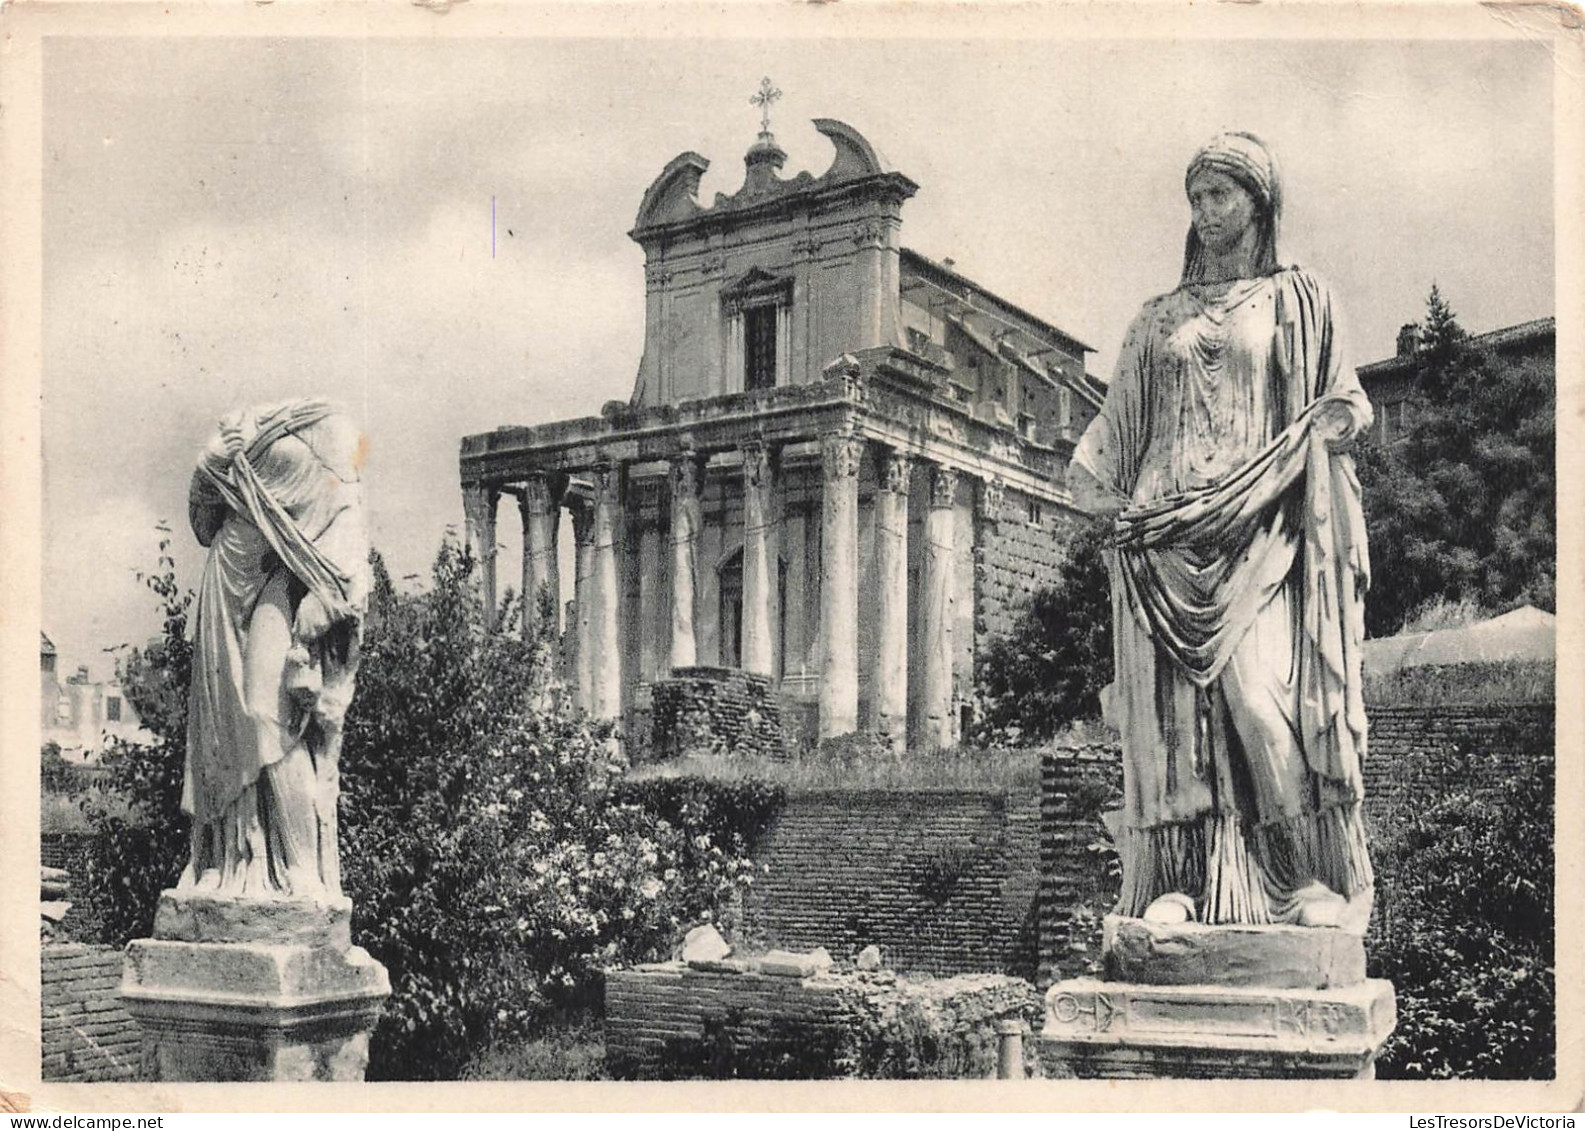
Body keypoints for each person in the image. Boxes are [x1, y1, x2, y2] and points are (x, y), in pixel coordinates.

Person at [1070, 132, 1374, 929]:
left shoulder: (1298, 300)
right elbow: (1111, 432)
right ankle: (1176, 882)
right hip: (1161, 535)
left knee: (1260, 698)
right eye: (1195, 199)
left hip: (1260, 526)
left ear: (1258, 202)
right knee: (1168, 726)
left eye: (1220, 196)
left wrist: (1334, 422)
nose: (1205, 213)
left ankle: (1302, 876)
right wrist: (1095, 488)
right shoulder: (1154, 317)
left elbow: (1337, 398)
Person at [181, 398, 370, 899]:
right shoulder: (241, 431)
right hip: (226, 579)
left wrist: (322, 610)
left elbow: (346, 546)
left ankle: (298, 869)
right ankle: (227, 864)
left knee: (269, 716)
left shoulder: (332, 428)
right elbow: (204, 526)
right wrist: (214, 463)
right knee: (219, 732)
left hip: (282, 582)